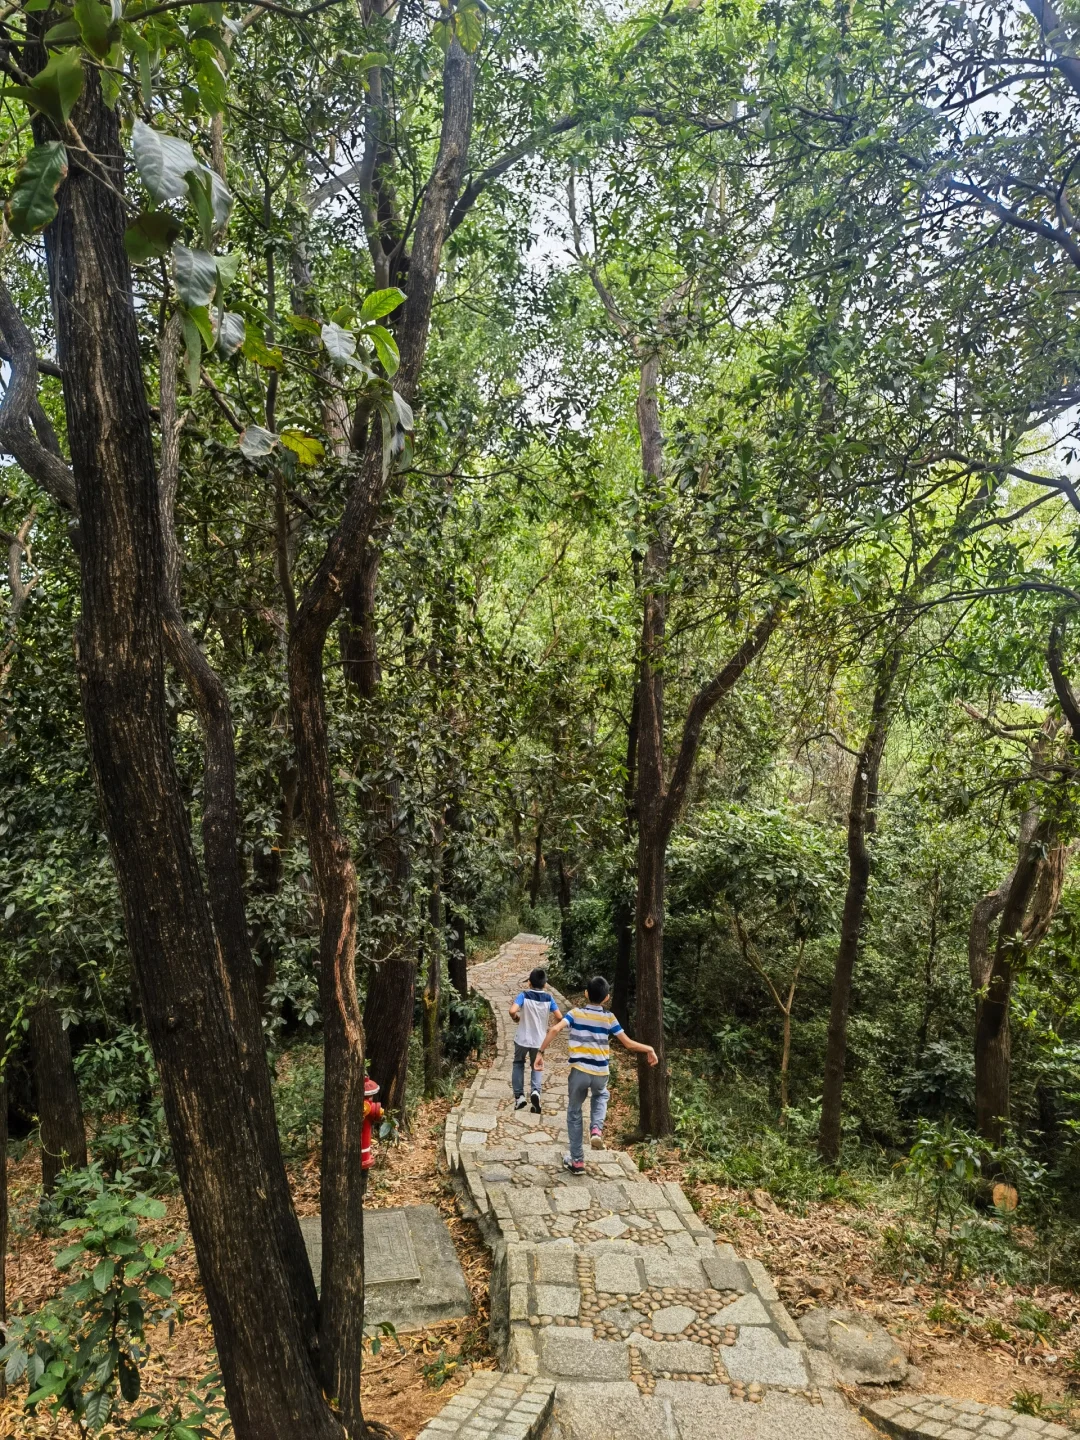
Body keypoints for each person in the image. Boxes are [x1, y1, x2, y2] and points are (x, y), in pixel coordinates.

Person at [536, 974, 657, 1174]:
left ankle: (577, 1161)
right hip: (600, 1072)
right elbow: (627, 1043)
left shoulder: (575, 1013)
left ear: (585, 994)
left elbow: (555, 1029)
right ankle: (596, 1129)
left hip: (579, 1072)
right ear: (607, 998)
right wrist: (649, 1048)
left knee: (574, 1113)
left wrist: (540, 1053)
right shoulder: (609, 1018)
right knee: (601, 1095)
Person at [508, 966, 562, 1113]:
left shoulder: (524, 995)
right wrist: (552, 1028)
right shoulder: (549, 998)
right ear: (545, 984)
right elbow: (559, 1016)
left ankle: (519, 1097)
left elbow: (512, 1010)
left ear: (529, 983)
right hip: (539, 1040)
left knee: (518, 1063)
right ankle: (535, 1092)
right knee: (536, 1065)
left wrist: (516, 1018)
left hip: (522, 1038)